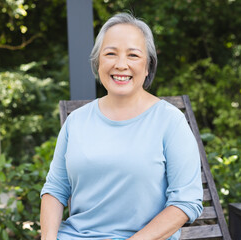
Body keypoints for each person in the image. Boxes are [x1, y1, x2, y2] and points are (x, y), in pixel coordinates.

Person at [40, 13, 203, 240]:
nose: (121, 64)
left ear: (148, 66)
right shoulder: (76, 122)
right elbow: (55, 191)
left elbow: (186, 202)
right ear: (98, 63)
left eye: (133, 55)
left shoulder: (170, 121)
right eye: (110, 54)